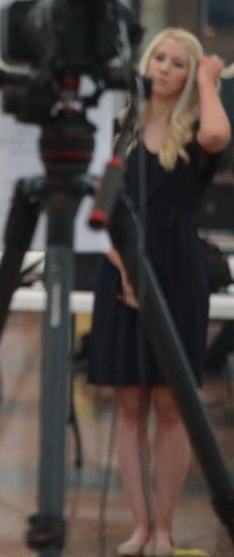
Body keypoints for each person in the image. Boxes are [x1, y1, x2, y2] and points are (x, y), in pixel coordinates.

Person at [88, 28, 231, 557]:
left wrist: (209, 82)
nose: (165, 68)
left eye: (179, 63)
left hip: (176, 269)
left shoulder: (197, 128)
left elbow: (219, 136)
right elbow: (106, 204)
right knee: (129, 404)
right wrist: (122, 264)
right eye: (160, 58)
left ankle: (165, 528)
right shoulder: (122, 126)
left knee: (173, 406)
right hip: (121, 265)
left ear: (190, 73)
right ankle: (140, 526)